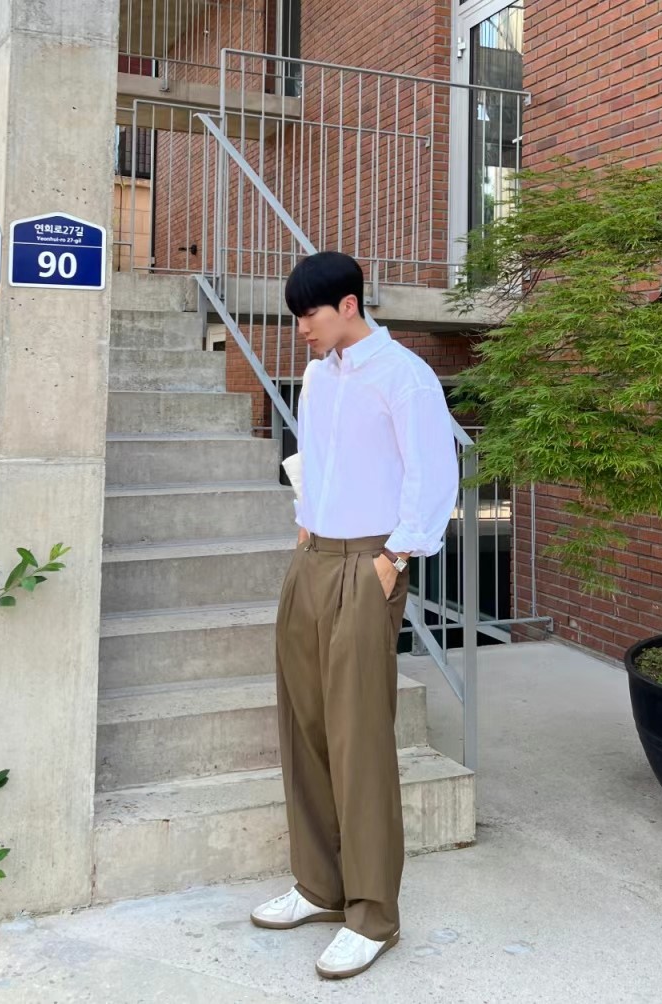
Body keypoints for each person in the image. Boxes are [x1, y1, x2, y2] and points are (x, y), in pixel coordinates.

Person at [250, 251, 459, 980]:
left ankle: (372, 914)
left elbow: (433, 474)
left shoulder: (405, 376)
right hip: (312, 558)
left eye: (308, 314)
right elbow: (315, 457)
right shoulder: (319, 376)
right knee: (303, 724)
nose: (301, 329)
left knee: (358, 735)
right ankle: (318, 886)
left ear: (347, 305)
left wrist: (395, 558)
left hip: (371, 562)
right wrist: (305, 525)